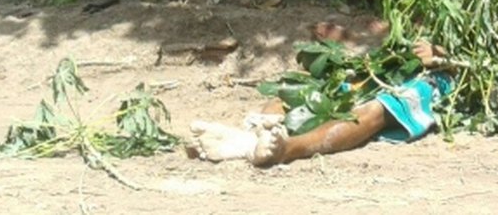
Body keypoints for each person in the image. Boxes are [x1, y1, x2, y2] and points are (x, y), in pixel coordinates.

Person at [188, 36, 453, 167]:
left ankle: (287, 149)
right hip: (392, 63)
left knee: (378, 108)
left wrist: (443, 56)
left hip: (436, 76)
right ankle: (253, 133)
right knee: (316, 85)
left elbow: (481, 60)